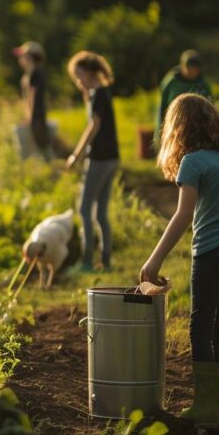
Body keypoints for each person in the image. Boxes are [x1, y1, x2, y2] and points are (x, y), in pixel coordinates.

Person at [139, 93, 219, 429]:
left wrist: (154, 260)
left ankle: (206, 408)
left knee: (200, 325)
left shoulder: (193, 162)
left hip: (214, 251)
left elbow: (182, 216)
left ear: (178, 128)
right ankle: (214, 407)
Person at [65, 51, 120, 271]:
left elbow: (93, 125)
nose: (78, 80)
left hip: (98, 159)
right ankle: (105, 260)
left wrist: (75, 155)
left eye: (79, 75)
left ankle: (86, 261)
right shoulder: (103, 92)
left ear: (89, 72)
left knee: (85, 210)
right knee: (101, 213)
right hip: (112, 158)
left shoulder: (98, 94)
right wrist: (86, 94)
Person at [156, 49, 213, 144]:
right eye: (189, 68)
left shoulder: (202, 84)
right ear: (182, 66)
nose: (192, 72)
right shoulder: (171, 82)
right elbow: (162, 107)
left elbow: (211, 107)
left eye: (195, 69)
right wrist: (160, 132)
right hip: (175, 125)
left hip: (197, 129)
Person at [14, 41, 51, 159]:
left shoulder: (35, 73)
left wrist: (29, 118)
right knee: (40, 149)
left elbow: (32, 96)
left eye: (22, 55)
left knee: (44, 148)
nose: (20, 59)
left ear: (29, 57)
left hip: (36, 118)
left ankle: (55, 173)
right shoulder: (30, 74)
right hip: (34, 117)